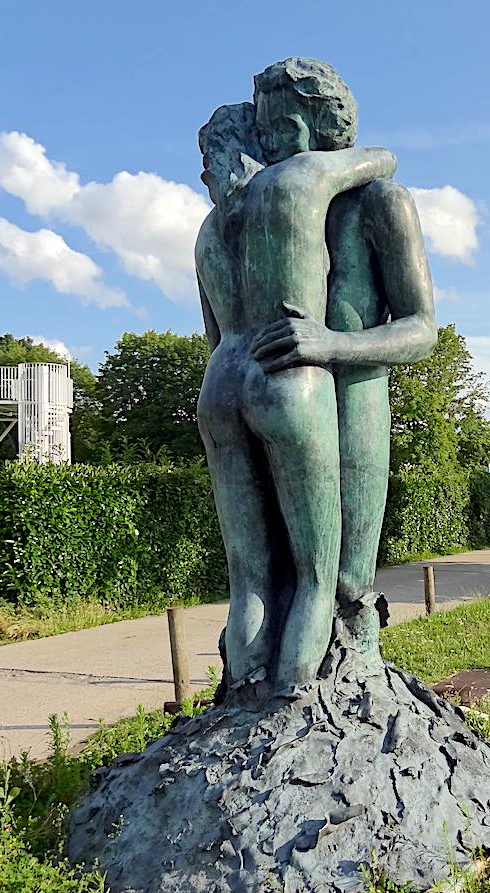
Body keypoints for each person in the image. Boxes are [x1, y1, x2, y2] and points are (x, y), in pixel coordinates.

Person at [195, 60, 400, 694]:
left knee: (251, 577)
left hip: (224, 381)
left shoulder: (212, 229)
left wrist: (336, 343)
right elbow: (381, 157)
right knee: (317, 577)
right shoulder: (302, 182)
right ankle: (292, 703)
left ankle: (244, 701)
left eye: (282, 126)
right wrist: (324, 344)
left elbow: (421, 328)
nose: (273, 143)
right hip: (292, 380)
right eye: (263, 132)